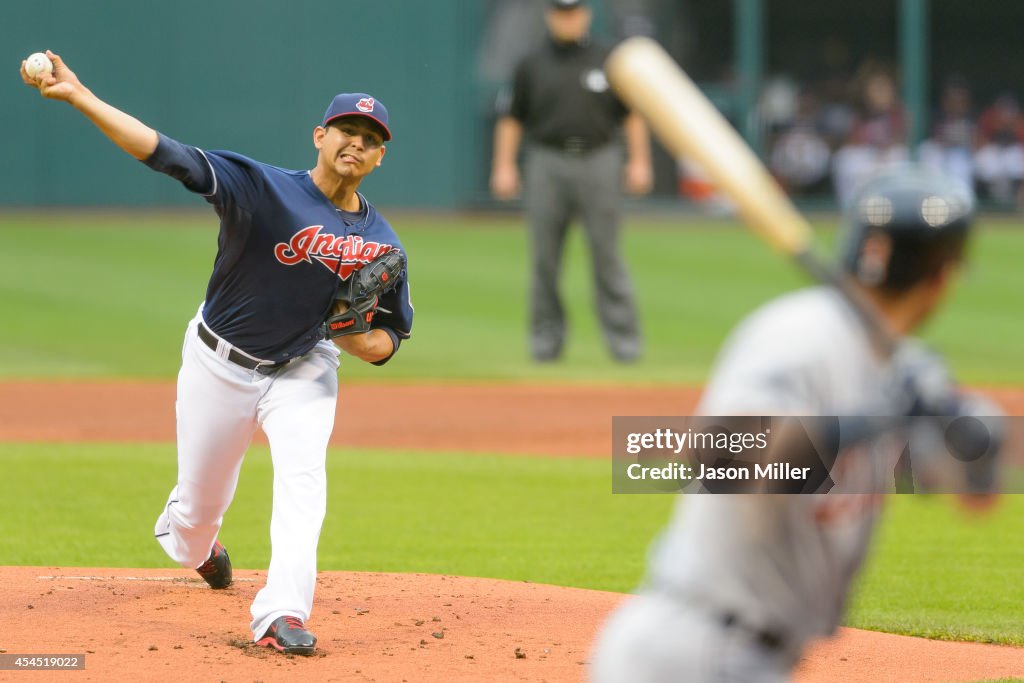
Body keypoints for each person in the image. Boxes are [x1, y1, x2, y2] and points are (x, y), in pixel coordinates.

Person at [20, 51, 413, 656]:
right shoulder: (260, 187)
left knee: (304, 480)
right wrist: (82, 97)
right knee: (198, 511)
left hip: (305, 369)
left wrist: (354, 338)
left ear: (380, 155)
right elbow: (165, 152)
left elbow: (390, 339)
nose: (356, 144)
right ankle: (195, 542)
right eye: (346, 132)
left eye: (370, 139)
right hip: (218, 362)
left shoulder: (383, 243)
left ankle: (280, 613)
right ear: (320, 136)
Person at [590, 165, 999, 682]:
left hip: (750, 657)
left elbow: (975, 495)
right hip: (693, 650)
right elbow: (721, 456)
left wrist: (970, 432)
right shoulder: (800, 335)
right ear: (941, 279)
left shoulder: (908, 371)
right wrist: (869, 422)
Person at [490, 0, 653, 363]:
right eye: (562, 12)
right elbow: (512, 118)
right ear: (551, 16)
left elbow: (631, 115)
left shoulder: (608, 60)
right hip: (547, 159)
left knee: (607, 256)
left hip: (600, 158)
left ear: (586, 15)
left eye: (575, 11)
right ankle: (545, 344)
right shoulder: (531, 63)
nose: (569, 19)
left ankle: (625, 345)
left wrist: (640, 162)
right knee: (545, 259)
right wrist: (504, 166)